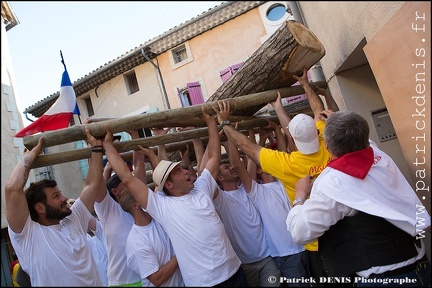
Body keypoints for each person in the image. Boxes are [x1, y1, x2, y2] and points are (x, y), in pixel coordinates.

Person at [212, 67, 339, 285]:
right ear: (318, 132)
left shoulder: (288, 165)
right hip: (341, 229)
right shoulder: (328, 144)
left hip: (314, 241)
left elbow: (247, 147)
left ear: (293, 140)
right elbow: (318, 110)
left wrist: (224, 124)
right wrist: (306, 85)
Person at [102, 106, 248, 287]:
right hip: (205, 283)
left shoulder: (201, 188)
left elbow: (214, 157)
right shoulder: (162, 206)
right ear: (169, 185)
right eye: (179, 171)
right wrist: (108, 146)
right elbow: (127, 177)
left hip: (234, 271)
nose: (187, 172)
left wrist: (211, 123)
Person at [287, 110, 431, 287]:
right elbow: (364, 141)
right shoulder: (380, 156)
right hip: (421, 266)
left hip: (384, 280)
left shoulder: (332, 183)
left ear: (328, 147)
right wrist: (340, 120)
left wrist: (299, 197)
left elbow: (300, 233)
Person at [5, 128, 104, 286]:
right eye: (56, 196)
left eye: (60, 194)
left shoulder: (74, 218)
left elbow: (92, 184)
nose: (65, 199)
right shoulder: (29, 236)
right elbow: (12, 190)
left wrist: (97, 148)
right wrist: (29, 157)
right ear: (40, 208)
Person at [214, 140, 281, 287]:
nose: (231, 167)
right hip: (243, 264)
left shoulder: (248, 188)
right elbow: (205, 170)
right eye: (226, 167)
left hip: (267, 258)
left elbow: (248, 160)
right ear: (220, 178)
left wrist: (232, 142)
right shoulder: (220, 199)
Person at [93, 128, 143, 287]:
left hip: (149, 277)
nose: (131, 183)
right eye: (126, 183)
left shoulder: (140, 203)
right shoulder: (107, 210)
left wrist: (135, 136)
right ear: (115, 191)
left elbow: (139, 167)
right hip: (121, 282)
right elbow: (96, 184)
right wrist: (105, 166)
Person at [119, 188, 184, 286]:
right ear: (135, 205)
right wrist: (183, 251)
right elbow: (157, 278)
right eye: (143, 195)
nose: (149, 197)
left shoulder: (158, 215)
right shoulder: (136, 242)